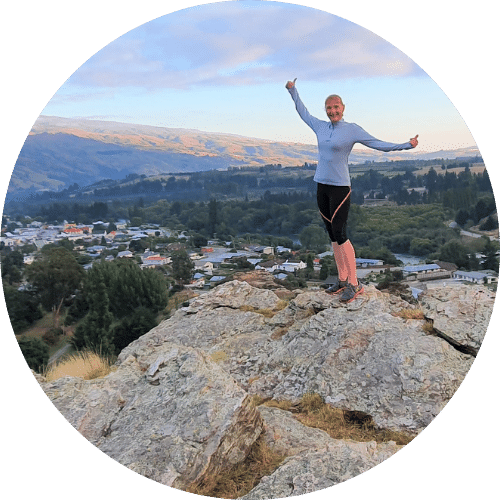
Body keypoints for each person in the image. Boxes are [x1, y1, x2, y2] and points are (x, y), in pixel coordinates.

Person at [285, 78, 418, 303]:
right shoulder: (319, 125)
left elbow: (378, 144)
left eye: (336, 106)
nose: (332, 110)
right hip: (322, 185)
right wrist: (292, 90)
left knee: (341, 233)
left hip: (339, 187)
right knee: (332, 236)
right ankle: (342, 280)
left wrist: (406, 145)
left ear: (343, 108)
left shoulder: (352, 129)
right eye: (329, 107)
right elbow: (302, 111)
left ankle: (355, 284)